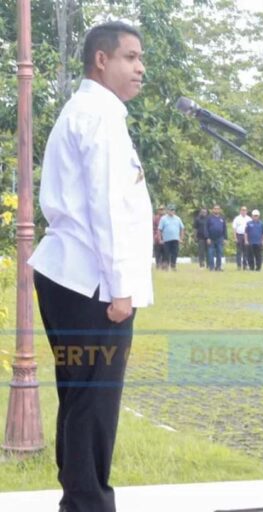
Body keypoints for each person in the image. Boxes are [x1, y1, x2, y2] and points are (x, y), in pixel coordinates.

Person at [27, 21, 151, 512]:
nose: (140, 68)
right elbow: (107, 207)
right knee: (94, 404)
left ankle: (78, 501)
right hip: (91, 283)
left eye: (141, 59)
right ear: (102, 60)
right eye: (131, 57)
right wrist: (121, 289)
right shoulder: (99, 116)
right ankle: (88, 504)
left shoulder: (89, 111)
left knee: (81, 398)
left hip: (71, 276)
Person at [158, 204, 184, 271]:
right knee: (166, 253)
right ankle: (166, 266)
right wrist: (160, 239)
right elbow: (159, 229)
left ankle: (173, 266)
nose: (172, 211)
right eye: (170, 210)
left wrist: (181, 238)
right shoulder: (163, 218)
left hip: (175, 239)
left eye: (173, 210)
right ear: (167, 210)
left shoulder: (178, 218)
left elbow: (182, 228)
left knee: (175, 253)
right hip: (166, 240)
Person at [205, 204, 227, 271]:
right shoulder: (209, 218)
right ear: (213, 210)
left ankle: (218, 267)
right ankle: (211, 267)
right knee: (210, 253)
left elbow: (224, 228)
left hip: (220, 238)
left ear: (219, 210)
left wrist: (225, 238)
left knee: (219, 252)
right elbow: (206, 228)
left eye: (218, 209)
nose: (216, 210)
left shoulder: (222, 218)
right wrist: (207, 237)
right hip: (211, 238)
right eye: (215, 208)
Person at [232, 206, 252, 270]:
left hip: (247, 236)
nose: (244, 211)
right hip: (239, 235)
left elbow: (251, 229)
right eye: (242, 210)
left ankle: (245, 265)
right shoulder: (237, 218)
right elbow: (234, 229)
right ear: (240, 211)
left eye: (245, 210)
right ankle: (239, 265)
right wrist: (235, 238)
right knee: (239, 252)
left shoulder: (249, 219)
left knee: (246, 252)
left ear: (247, 211)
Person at [153, 205, 166, 269]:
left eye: (163, 209)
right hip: (157, 238)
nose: (162, 211)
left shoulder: (167, 218)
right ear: (158, 210)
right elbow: (153, 228)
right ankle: (158, 264)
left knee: (165, 252)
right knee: (157, 252)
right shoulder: (155, 218)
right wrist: (154, 236)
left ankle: (163, 265)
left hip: (165, 238)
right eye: (160, 209)